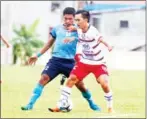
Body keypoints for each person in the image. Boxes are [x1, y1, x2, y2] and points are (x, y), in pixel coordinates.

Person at [21, 7, 100, 111]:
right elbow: (49, 43)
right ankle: (30, 105)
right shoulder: (57, 28)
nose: (67, 21)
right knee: (43, 79)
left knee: (80, 85)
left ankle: (92, 104)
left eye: (70, 19)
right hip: (56, 61)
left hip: (72, 62)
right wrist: (37, 55)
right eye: (65, 18)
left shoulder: (80, 30)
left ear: (75, 18)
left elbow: (89, 38)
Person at [50, 10, 114, 113]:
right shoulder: (79, 29)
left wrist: (108, 46)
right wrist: (71, 36)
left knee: (104, 84)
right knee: (71, 79)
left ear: (86, 20)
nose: (76, 22)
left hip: (98, 63)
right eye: (75, 20)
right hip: (84, 62)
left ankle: (110, 107)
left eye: (78, 20)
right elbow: (77, 32)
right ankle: (61, 105)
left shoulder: (93, 31)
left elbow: (101, 39)